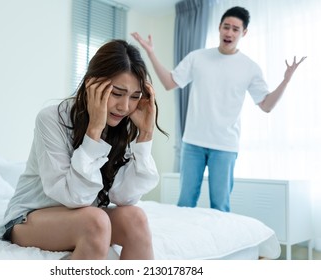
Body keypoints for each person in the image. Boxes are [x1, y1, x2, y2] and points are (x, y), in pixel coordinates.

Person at [0, 39, 167, 260]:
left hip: (84, 216)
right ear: (92, 85)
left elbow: (124, 198)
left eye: (134, 97)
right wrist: (94, 130)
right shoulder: (51, 119)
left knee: (136, 218)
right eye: (117, 93)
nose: (124, 107)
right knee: (95, 221)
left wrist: (145, 135)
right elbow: (74, 198)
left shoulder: (122, 125)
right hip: (30, 217)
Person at [131, 6, 306, 212]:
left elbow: (266, 105)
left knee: (220, 205)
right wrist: (150, 53)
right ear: (219, 28)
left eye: (235, 29)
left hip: (225, 146)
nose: (229, 33)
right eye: (226, 27)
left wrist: (285, 81)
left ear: (244, 33)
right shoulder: (198, 57)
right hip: (193, 143)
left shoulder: (250, 67)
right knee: (185, 203)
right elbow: (170, 82)